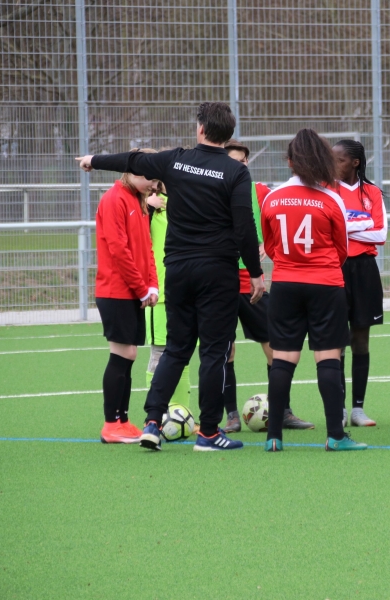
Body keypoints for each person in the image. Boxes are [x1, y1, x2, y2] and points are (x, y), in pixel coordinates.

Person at [77, 101, 264, 452]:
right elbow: (244, 226)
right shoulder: (235, 172)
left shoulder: (175, 160)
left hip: (178, 270)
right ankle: (209, 433)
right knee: (214, 352)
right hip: (217, 271)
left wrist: (93, 160)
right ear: (228, 135)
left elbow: (132, 160)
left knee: (176, 348)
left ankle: (152, 422)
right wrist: (255, 273)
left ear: (200, 129)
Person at [261, 129, 366, 452]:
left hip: (285, 284)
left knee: (283, 359)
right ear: (323, 161)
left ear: (289, 162)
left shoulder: (272, 198)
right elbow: (342, 248)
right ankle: (336, 436)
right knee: (328, 358)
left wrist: (290, 263)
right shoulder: (331, 199)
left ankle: (273, 437)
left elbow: (270, 245)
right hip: (325, 284)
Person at [220, 139, 314, 433]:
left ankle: (283, 411)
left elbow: (280, 222)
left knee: (276, 347)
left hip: (254, 282)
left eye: (244, 161)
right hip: (220, 283)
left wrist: (267, 244)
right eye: (235, 161)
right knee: (225, 351)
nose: (241, 165)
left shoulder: (260, 191)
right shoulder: (211, 191)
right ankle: (231, 416)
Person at [95, 171, 159, 443]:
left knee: (130, 354)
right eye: (150, 180)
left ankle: (122, 420)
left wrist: (152, 285)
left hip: (133, 291)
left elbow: (147, 248)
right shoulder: (114, 199)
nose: (153, 186)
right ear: (131, 173)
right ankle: (111, 424)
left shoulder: (138, 199)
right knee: (121, 354)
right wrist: (141, 287)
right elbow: (118, 250)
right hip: (116, 291)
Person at [332, 139, 387, 428]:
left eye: (339, 160)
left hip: (365, 269)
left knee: (361, 339)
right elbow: (329, 230)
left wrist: (345, 228)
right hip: (335, 268)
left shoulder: (372, 192)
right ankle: (339, 408)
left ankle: (358, 409)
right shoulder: (327, 190)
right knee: (337, 341)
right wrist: (362, 224)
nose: (333, 164)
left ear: (355, 163)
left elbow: (381, 235)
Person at [144, 177, 192, 413]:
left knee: (184, 354)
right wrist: (148, 206)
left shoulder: (185, 201)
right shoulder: (148, 205)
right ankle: (157, 416)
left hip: (187, 293)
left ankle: (183, 414)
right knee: (160, 355)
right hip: (160, 296)